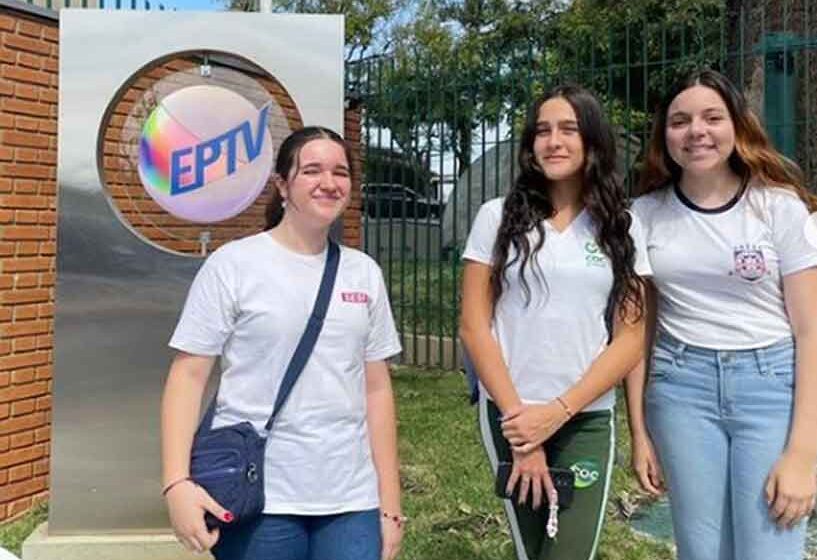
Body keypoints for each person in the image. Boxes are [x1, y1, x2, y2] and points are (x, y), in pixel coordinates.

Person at [160, 126, 404, 560]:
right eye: (312, 170)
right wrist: (177, 483)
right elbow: (188, 375)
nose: (329, 183)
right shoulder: (234, 265)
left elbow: (377, 388)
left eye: (340, 172)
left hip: (350, 497)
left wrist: (390, 505)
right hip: (259, 496)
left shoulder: (363, 273)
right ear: (282, 184)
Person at [626, 69, 817, 560]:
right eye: (680, 121)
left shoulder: (780, 209)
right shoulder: (644, 215)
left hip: (769, 387)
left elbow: (810, 330)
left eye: (713, 117)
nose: (697, 132)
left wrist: (802, 454)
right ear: (663, 135)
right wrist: (639, 431)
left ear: (737, 125)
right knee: (701, 551)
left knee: (769, 548)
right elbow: (638, 332)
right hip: (680, 389)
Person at [459, 84, 651, 560]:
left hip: (584, 418)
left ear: (592, 142)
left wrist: (559, 412)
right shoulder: (496, 218)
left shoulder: (622, 225)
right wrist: (523, 428)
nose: (554, 141)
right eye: (543, 130)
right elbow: (473, 326)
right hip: (509, 415)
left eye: (568, 129)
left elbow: (631, 339)